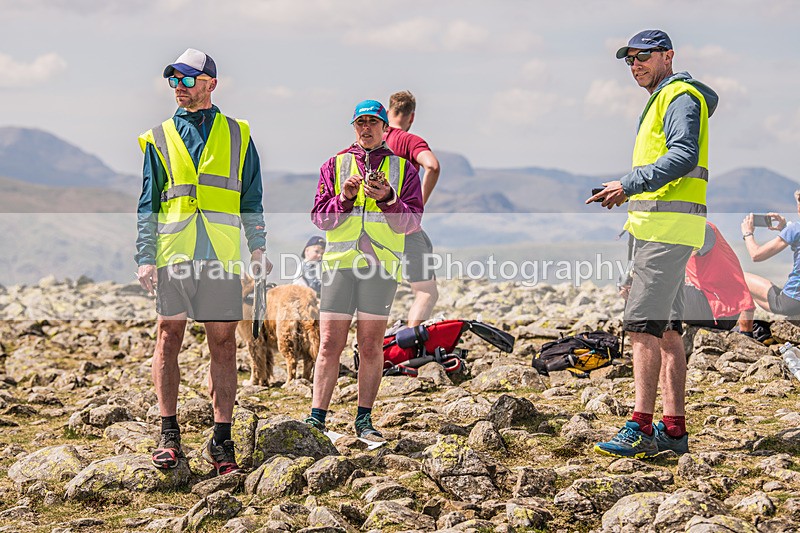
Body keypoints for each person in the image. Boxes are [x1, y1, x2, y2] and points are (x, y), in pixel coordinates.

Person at [136, 48, 272, 475]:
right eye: (173, 80)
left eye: (188, 79)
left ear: (211, 83)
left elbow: (251, 197)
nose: (179, 87)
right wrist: (144, 257)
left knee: (223, 344)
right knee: (168, 338)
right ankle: (169, 435)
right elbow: (148, 202)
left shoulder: (239, 134)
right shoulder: (158, 138)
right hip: (174, 252)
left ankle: (221, 440)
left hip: (221, 254)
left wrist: (258, 247)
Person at [587, 30, 718, 458]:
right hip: (660, 230)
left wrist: (627, 183)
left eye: (643, 56)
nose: (635, 64)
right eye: (629, 60)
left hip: (666, 232)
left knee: (641, 326)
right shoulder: (665, 98)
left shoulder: (678, 96)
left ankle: (641, 426)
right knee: (667, 329)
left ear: (668, 55)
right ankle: (674, 430)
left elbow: (683, 156)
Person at [306, 99, 423, 439]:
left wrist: (388, 198)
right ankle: (317, 418)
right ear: (354, 126)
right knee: (329, 343)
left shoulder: (404, 170)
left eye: (373, 122)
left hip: (381, 268)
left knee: (371, 345)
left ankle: (363, 420)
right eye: (361, 123)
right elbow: (320, 219)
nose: (367, 128)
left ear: (386, 127)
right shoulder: (334, 165)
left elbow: (410, 224)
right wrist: (343, 198)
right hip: (340, 266)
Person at [384, 91, 441, 326]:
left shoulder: (369, 140)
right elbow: (432, 166)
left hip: (368, 228)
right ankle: (409, 345)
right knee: (427, 291)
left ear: (388, 112)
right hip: (403, 226)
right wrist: (420, 203)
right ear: (412, 117)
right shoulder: (409, 141)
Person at [683, 222, 755, 332]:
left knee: (659, 288)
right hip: (715, 307)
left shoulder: (703, 229)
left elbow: (674, 261)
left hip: (720, 312)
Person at [741, 193, 800, 317]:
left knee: (739, 277)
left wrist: (747, 233)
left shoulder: (796, 229)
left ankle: (746, 332)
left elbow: (756, 255)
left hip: (792, 302)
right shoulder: (794, 230)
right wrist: (785, 228)